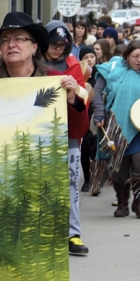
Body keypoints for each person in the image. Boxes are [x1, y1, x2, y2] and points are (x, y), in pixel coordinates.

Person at [0, 12, 86, 281]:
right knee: (1, 255)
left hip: (43, 181)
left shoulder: (56, 80)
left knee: (33, 251)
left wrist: (74, 98)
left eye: (19, 39)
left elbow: (78, 129)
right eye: (5, 39)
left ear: (34, 46)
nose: (11, 44)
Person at [91, 41, 140, 218]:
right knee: (120, 169)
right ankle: (122, 203)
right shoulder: (113, 68)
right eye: (135, 56)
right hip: (118, 127)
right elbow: (98, 92)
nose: (139, 60)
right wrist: (99, 115)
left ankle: (138, 202)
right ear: (127, 55)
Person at [44, 20, 90, 256]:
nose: (58, 48)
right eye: (53, 43)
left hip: (68, 132)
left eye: (62, 44)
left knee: (73, 180)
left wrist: (73, 96)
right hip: (39, 131)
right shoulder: (32, 64)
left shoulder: (73, 65)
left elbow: (83, 99)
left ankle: (73, 233)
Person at [79, 46, 99, 193]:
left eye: (91, 56)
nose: (89, 59)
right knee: (85, 149)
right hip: (84, 116)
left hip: (98, 116)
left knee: (97, 149)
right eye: (86, 57)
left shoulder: (101, 74)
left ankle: (97, 178)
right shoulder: (79, 75)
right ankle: (87, 179)